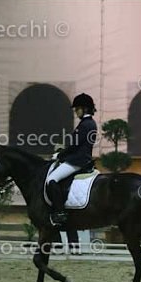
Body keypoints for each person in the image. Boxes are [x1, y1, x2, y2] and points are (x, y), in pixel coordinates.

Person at [46, 93, 97, 227]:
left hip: (77, 161)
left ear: (85, 108)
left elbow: (74, 146)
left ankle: (60, 212)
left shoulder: (85, 124)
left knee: (51, 180)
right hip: (82, 159)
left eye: (77, 108)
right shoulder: (90, 123)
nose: (76, 111)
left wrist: (59, 155)